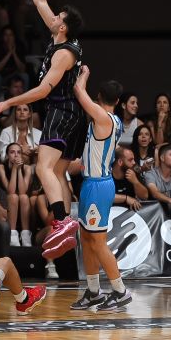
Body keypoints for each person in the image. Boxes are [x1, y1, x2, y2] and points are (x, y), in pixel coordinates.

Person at [0, 0, 86, 260]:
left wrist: (7, 103)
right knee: (56, 173)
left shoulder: (63, 53)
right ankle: (66, 228)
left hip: (62, 111)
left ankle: (62, 221)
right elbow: (40, 0)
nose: (53, 16)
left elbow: (43, 91)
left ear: (63, 27)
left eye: (59, 17)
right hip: (72, 114)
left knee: (42, 168)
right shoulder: (60, 37)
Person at [70, 67, 132, 311]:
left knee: (98, 242)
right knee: (86, 239)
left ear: (98, 97)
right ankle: (94, 291)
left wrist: (83, 72)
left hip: (98, 185)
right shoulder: (111, 119)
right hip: (91, 183)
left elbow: (77, 89)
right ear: (118, 101)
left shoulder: (103, 118)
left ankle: (120, 291)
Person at [0, 143, 33, 247]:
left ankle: (25, 234)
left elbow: (22, 191)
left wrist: (18, 170)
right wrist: (14, 169)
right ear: (7, 155)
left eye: (19, 152)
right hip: (5, 199)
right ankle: (12, 233)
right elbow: (10, 190)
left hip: (21, 200)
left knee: (24, 197)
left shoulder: (27, 168)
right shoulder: (1, 167)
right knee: (13, 197)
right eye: (12, 152)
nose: (16, 155)